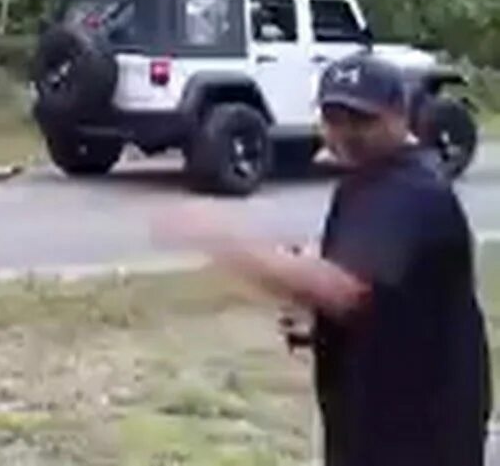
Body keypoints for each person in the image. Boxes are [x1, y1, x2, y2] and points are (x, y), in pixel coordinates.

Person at [153, 53, 490, 466]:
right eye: (333, 118)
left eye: (362, 120)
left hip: (420, 435)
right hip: (374, 415)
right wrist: (322, 324)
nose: (345, 132)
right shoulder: (365, 185)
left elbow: (341, 289)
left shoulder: (412, 191)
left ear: (400, 115)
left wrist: (220, 237)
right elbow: (381, 294)